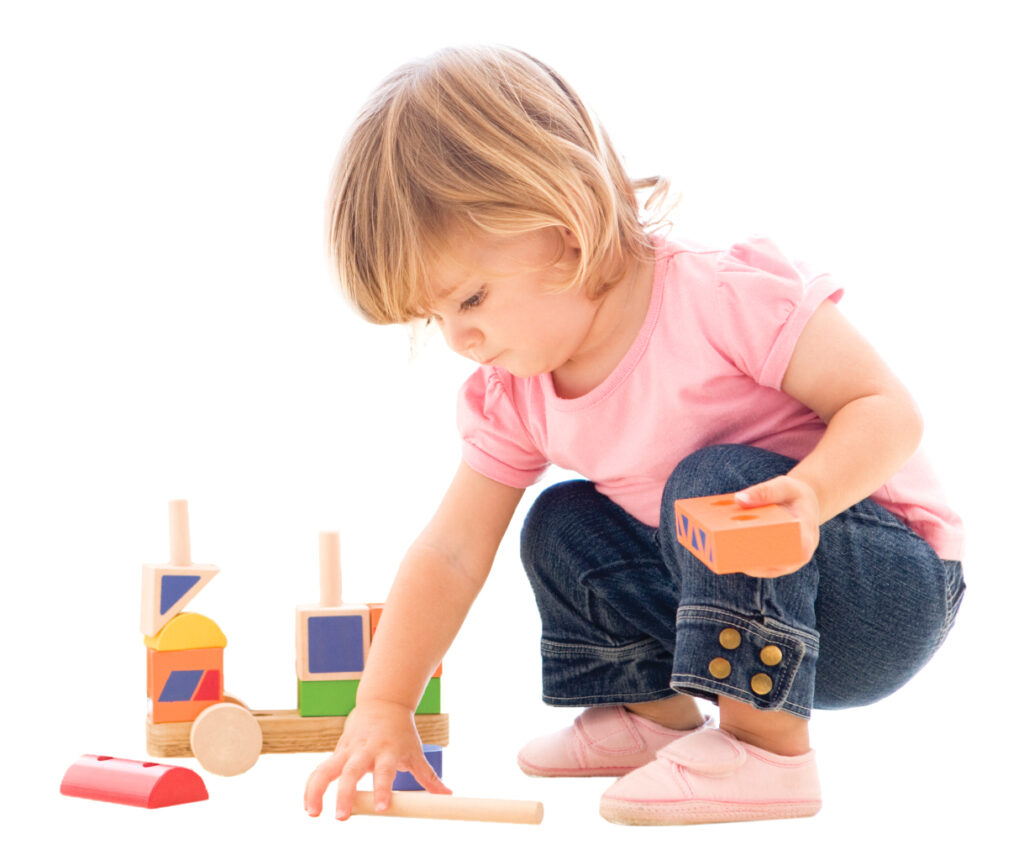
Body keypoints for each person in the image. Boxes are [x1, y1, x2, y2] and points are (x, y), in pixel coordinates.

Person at [303, 45, 965, 826]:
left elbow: (888, 409)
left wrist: (810, 495)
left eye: (472, 298)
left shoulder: (719, 298)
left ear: (565, 225)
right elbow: (451, 551)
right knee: (562, 517)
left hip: (878, 591)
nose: (460, 338)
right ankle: (650, 712)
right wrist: (383, 702)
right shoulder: (515, 395)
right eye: (435, 316)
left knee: (709, 484)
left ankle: (767, 752)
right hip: (721, 607)